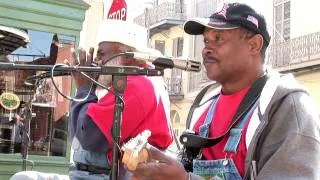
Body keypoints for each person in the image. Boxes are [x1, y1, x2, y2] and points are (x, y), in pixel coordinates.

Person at [130, 3, 320, 180]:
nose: (205, 50)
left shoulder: (287, 107)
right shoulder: (202, 105)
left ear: (254, 45)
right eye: (206, 41)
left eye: (218, 39)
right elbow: (186, 167)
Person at [69, 19, 173, 180]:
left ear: (128, 58)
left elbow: (89, 135)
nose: (96, 61)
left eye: (101, 54)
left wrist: (84, 87)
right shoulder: (141, 80)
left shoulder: (138, 84)